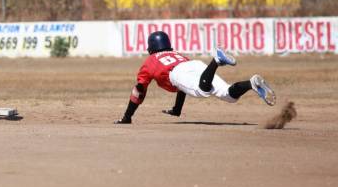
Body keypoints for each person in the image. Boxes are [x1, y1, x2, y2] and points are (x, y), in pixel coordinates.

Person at [115, 31, 276, 124]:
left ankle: (217, 59)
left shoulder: (150, 61)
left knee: (201, 90)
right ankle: (251, 83)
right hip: (195, 65)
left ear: (151, 47)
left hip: (177, 73)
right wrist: (177, 109)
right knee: (229, 95)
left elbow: (139, 91)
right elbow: (181, 86)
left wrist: (127, 117)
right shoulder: (176, 54)